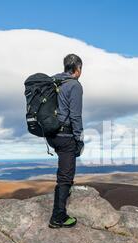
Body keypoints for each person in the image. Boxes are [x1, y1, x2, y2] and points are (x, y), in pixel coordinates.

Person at [47, 54, 84, 229]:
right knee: (65, 176)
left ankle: (63, 196)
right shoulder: (74, 85)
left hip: (51, 134)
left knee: (64, 170)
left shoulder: (54, 82)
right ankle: (58, 217)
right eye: (81, 69)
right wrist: (79, 139)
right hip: (65, 136)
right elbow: (75, 115)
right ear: (77, 69)